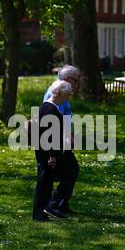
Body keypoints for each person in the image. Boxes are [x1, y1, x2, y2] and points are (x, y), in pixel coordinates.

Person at [34, 80, 77, 221]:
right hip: (48, 153)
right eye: (67, 96)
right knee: (67, 175)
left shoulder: (48, 107)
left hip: (47, 152)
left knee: (46, 183)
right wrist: (51, 155)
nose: (67, 99)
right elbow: (46, 135)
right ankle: (48, 208)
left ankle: (42, 213)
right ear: (58, 94)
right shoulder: (50, 109)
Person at [42, 65, 80, 215]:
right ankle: (53, 205)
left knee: (72, 170)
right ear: (66, 79)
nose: (77, 83)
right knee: (70, 171)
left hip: (62, 139)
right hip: (56, 141)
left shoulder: (63, 92)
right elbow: (50, 120)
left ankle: (61, 204)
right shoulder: (56, 93)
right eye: (75, 80)